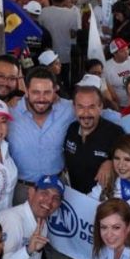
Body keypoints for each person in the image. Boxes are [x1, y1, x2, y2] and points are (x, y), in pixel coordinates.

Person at [6, 67, 76, 203]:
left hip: (57, 188)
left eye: (47, 92)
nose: (41, 98)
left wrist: (109, 158)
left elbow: (98, 116)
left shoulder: (68, 109)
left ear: (55, 90)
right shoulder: (10, 111)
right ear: (26, 91)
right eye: (36, 92)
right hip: (22, 190)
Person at [64, 83, 124, 193]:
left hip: (104, 201)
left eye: (91, 106)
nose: (86, 113)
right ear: (74, 107)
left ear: (100, 106)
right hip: (75, 199)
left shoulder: (115, 133)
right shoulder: (71, 129)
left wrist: (111, 161)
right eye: (80, 106)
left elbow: (129, 163)